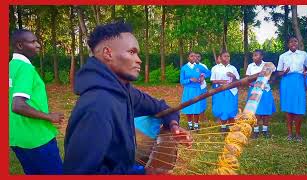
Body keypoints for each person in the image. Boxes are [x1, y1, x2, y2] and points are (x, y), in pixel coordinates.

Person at [63, 21, 192, 174]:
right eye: (132, 52)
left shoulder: (124, 91)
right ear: (108, 53)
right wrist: (142, 174)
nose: (139, 60)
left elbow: (162, 107)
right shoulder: (97, 106)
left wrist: (173, 125)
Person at [9, 29, 64, 174]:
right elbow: (17, 105)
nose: (38, 45)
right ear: (20, 45)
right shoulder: (25, 69)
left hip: (16, 137)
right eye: (33, 42)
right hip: (37, 138)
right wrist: (50, 116)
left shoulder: (10, 67)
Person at [277, 36, 307, 142]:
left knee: (299, 107)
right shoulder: (283, 56)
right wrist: (284, 72)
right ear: (288, 44)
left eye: (295, 41)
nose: (293, 43)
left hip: (299, 81)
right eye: (291, 41)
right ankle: (290, 134)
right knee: (288, 107)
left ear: (297, 43)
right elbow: (278, 72)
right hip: (287, 81)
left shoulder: (303, 54)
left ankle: (298, 134)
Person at [246, 49, 276, 139]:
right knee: (255, 111)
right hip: (254, 91)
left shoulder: (268, 65)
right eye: (253, 55)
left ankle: (265, 130)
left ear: (261, 56)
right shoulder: (250, 66)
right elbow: (248, 79)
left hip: (265, 91)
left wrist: (270, 81)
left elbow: (274, 75)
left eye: (256, 55)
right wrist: (253, 84)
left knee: (266, 111)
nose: (254, 57)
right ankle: (255, 131)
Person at [210, 51, 240, 132]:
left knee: (231, 108)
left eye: (228, 56)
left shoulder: (233, 68)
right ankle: (223, 126)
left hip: (231, 91)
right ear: (220, 57)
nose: (227, 58)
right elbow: (213, 81)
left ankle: (231, 127)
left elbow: (238, 80)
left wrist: (233, 76)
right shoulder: (215, 68)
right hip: (220, 91)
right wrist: (222, 82)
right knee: (222, 108)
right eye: (225, 56)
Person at [180, 52, 209, 130]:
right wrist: (190, 80)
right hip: (188, 90)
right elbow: (182, 81)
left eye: (195, 56)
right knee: (188, 107)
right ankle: (190, 124)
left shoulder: (199, 67)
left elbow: (209, 72)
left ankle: (196, 124)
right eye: (191, 56)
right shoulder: (184, 68)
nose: (193, 57)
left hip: (197, 90)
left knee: (196, 107)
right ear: (188, 58)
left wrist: (203, 76)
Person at [195, 53, 211, 123]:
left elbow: (209, 73)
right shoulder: (189, 66)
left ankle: (202, 116)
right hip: (193, 87)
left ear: (200, 57)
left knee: (202, 101)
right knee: (194, 101)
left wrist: (203, 76)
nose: (196, 58)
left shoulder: (203, 66)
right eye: (195, 56)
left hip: (202, 87)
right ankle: (195, 117)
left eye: (198, 56)